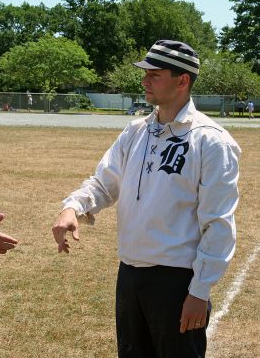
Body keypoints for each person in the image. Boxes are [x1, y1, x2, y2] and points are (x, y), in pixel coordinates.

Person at [52, 40, 241, 358]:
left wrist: (199, 290)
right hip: (130, 275)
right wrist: (73, 207)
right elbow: (104, 183)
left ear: (182, 80)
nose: (144, 80)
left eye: (155, 73)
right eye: (145, 73)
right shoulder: (135, 132)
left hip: (177, 283)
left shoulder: (212, 142)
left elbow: (219, 223)